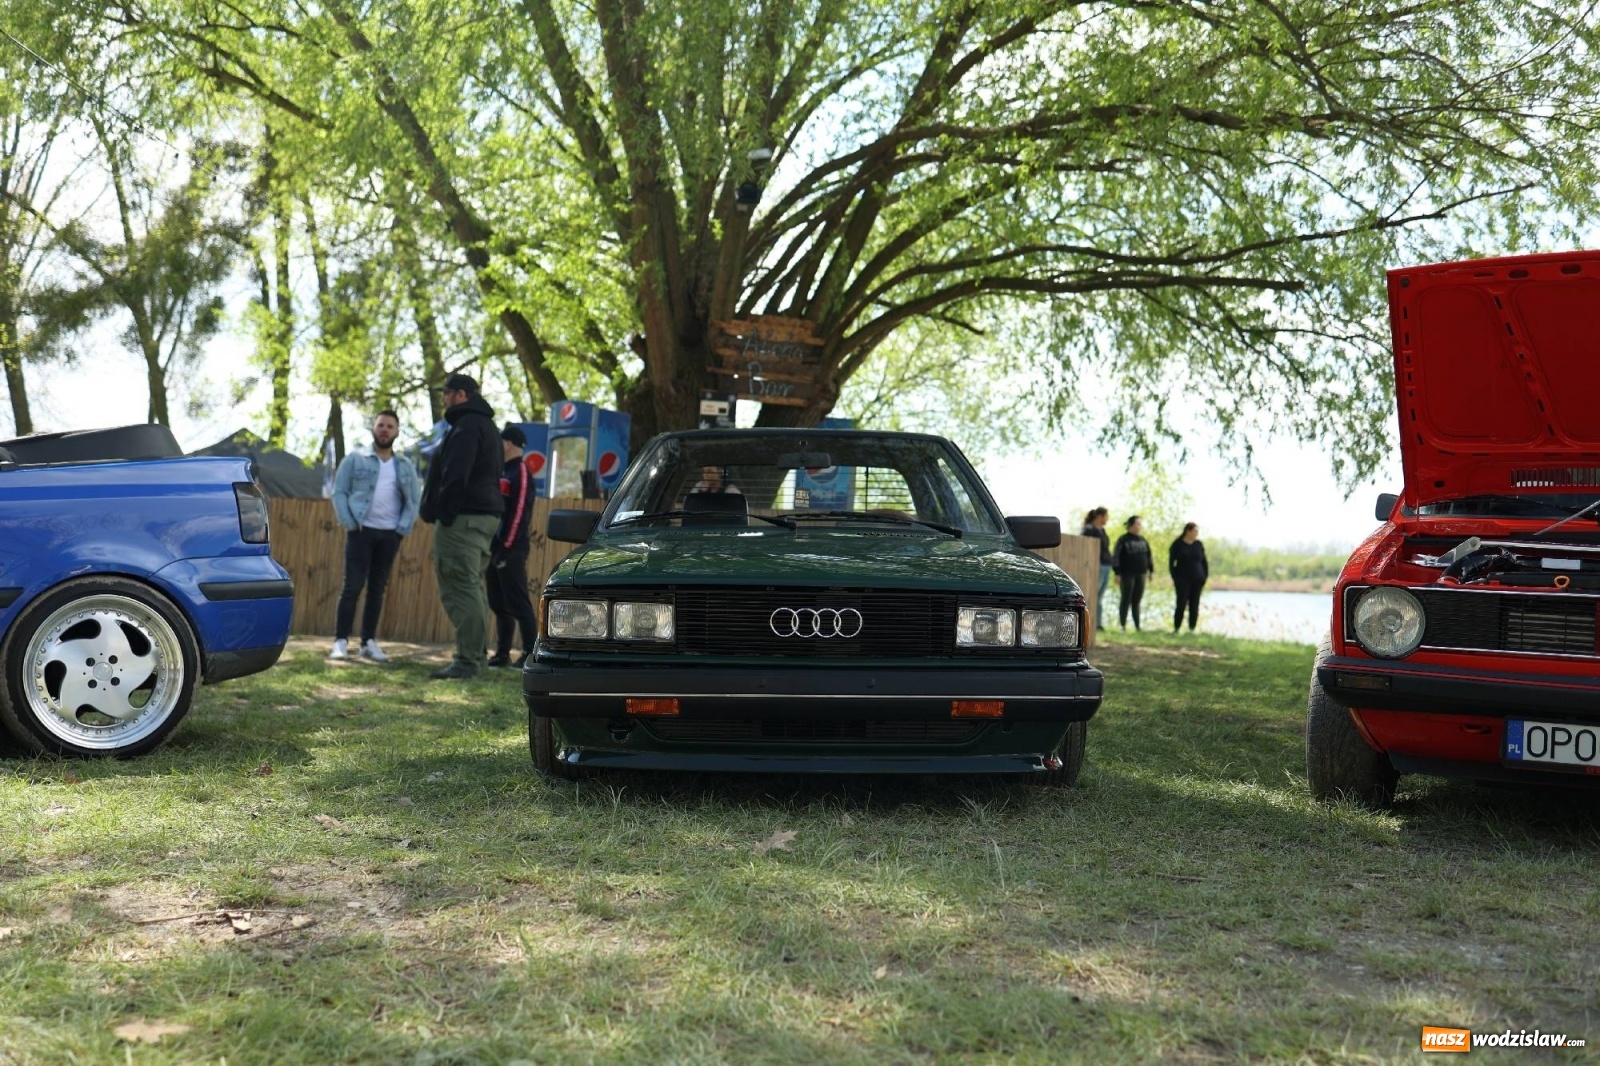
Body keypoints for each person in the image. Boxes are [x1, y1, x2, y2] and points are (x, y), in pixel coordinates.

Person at [418, 373, 504, 679]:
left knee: (459, 587)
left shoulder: (466, 427)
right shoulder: (487, 427)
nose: (444, 399)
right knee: (473, 589)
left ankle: (467, 662)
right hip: (484, 518)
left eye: (448, 393)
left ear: (463, 395)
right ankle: (475, 658)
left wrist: (445, 513)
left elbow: (456, 475)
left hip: (463, 519)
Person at [329, 410, 420, 663]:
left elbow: (414, 500)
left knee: (377, 589)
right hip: (360, 531)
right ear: (373, 428)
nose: (385, 429)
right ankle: (340, 641)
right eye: (381, 425)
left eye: (390, 426)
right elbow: (339, 492)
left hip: (390, 535)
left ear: (397, 431)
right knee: (352, 587)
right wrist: (349, 523)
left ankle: (368, 642)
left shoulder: (404, 465)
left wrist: (401, 529)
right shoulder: (355, 459)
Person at [487, 424, 538, 669]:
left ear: (508, 443)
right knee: (498, 602)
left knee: (519, 602)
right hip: (494, 548)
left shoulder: (521, 471)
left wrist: (506, 547)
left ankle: (530, 652)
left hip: (512, 549)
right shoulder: (501, 471)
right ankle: (502, 653)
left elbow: (519, 513)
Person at [1111, 515, 1155, 630]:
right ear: (1131, 525)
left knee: (1137, 600)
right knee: (1126, 599)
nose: (1140, 526)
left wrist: (1151, 571)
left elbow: (1149, 556)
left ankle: (1137, 626)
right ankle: (1123, 626)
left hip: (1141, 573)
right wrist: (1117, 573)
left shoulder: (1143, 540)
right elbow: (1116, 557)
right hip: (1126, 574)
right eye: (1138, 524)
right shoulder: (1123, 540)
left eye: (1140, 524)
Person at [1169, 522, 1209, 633]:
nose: (1197, 533)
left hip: (1197, 579)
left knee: (1194, 604)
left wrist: (1204, 576)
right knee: (1181, 603)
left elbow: (1204, 562)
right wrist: (1175, 577)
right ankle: (1176, 628)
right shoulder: (1177, 544)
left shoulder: (1198, 544)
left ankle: (1192, 628)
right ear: (1188, 531)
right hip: (1182, 579)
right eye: (1195, 531)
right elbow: (1172, 563)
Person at [1080, 507, 1112, 631]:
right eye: (1106, 516)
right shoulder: (1089, 530)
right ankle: (1088, 622)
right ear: (1099, 516)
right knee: (1091, 595)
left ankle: (1097, 624)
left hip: (1106, 565)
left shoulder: (1103, 530)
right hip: (1095, 566)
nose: (1107, 519)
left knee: (1099, 597)